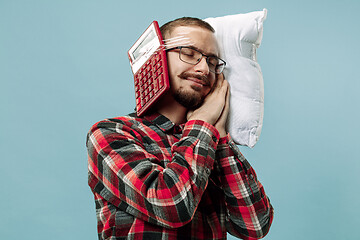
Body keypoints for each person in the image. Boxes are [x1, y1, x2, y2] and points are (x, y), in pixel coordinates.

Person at [86, 17, 274, 240]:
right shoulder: (113, 133)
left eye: (213, 62)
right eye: (189, 53)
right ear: (157, 58)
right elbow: (171, 205)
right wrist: (202, 123)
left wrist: (221, 137)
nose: (204, 68)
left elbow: (254, 226)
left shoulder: (211, 143)